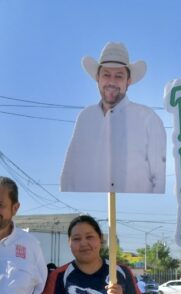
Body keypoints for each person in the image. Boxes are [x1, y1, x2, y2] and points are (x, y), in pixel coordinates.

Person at [61, 42, 167, 194]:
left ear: (128, 81)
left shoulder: (149, 120)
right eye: (106, 74)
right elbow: (68, 174)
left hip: (133, 214)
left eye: (119, 76)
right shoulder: (84, 118)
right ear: (98, 78)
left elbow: (159, 180)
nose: (111, 82)